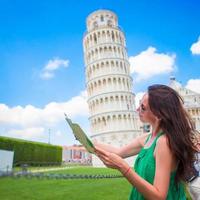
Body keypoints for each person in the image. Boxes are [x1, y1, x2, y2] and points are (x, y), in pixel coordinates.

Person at [94, 84, 199, 200]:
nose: (137, 109)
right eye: (139, 104)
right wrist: (90, 144)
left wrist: (123, 167)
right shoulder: (148, 138)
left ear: (159, 115)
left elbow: (159, 196)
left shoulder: (164, 143)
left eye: (143, 108)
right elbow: (119, 152)